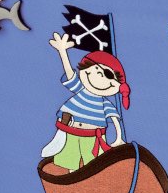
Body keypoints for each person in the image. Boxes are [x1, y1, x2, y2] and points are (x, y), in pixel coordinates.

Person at [41, 33, 131, 172]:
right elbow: (70, 75)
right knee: (69, 163)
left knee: (94, 165)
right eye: (92, 69)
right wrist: (63, 52)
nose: (98, 76)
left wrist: (119, 138)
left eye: (107, 75)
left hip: (92, 138)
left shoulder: (104, 104)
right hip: (70, 133)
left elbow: (114, 118)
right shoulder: (81, 89)